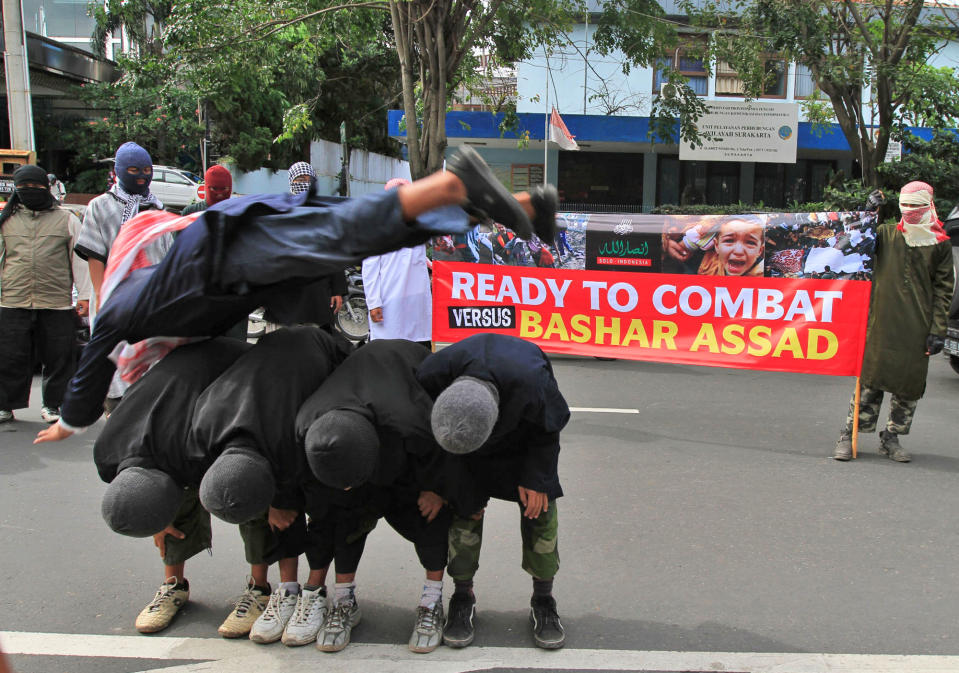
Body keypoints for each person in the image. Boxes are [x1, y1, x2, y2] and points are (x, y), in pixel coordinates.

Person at [34, 145, 556, 443]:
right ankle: (525, 206)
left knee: (348, 234)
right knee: (364, 235)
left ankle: (452, 182)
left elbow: (93, 368)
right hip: (252, 243)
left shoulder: (125, 307)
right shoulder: (150, 291)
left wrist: (71, 421)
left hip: (234, 253)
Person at [192, 326, 352, 643]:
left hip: (319, 359)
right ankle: (286, 590)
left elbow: (295, 479)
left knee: (319, 506)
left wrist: (279, 502)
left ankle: (313, 590)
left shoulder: (296, 433)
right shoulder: (205, 425)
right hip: (266, 375)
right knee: (268, 508)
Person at [416, 333, 570, 650]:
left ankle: (543, 600)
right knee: (463, 513)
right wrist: (443, 484)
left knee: (539, 512)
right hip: (462, 450)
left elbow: (549, 427)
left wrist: (537, 478)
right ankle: (463, 595)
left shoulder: (530, 381)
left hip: (523, 446)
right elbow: (430, 429)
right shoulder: (433, 372)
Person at [93, 337, 257, 635]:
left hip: (234, 377)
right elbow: (143, 491)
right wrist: (157, 517)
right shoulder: (109, 452)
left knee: (241, 485)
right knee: (154, 500)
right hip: (176, 391)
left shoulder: (195, 447)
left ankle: (260, 588)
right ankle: (173, 586)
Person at [296, 339, 450, 653]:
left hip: (408, 452)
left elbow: (444, 450)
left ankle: (432, 601)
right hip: (353, 433)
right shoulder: (308, 424)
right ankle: (344, 599)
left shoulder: (413, 420)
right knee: (344, 514)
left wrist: (436, 489)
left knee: (431, 515)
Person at [833, 181, 955, 462]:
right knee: (869, 380)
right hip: (880, 321)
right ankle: (848, 433)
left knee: (907, 385)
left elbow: (944, 289)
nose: (910, 211)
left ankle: (891, 437)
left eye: (916, 206)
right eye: (906, 206)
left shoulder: (940, 245)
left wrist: (938, 329)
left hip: (917, 326)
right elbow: (848, 246)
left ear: (929, 206)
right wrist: (866, 214)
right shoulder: (885, 234)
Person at [0, 164, 92, 424]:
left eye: (36, 187)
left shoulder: (66, 219)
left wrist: (84, 296)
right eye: (24, 187)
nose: (30, 191)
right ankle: (5, 405)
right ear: (16, 190)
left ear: (47, 188)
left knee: (58, 357)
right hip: (13, 300)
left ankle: (53, 405)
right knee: (10, 355)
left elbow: (81, 261)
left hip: (56, 302)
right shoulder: (6, 220)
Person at [75, 142, 168, 314]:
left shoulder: (158, 207)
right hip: (113, 297)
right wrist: (99, 293)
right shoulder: (100, 206)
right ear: (120, 170)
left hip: (152, 297)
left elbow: (166, 255)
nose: (141, 175)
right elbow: (95, 255)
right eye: (134, 170)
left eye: (147, 170)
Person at [260, 163, 345, 331]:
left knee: (315, 346)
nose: (304, 183)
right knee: (281, 349)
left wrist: (337, 289)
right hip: (282, 295)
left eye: (308, 180)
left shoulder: (323, 213)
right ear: (292, 182)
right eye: (299, 179)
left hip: (316, 295)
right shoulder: (278, 212)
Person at [362, 178, 432, 346]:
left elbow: (417, 258)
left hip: (417, 305)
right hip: (389, 303)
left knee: (418, 349)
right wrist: (373, 303)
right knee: (389, 351)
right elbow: (370, 268)